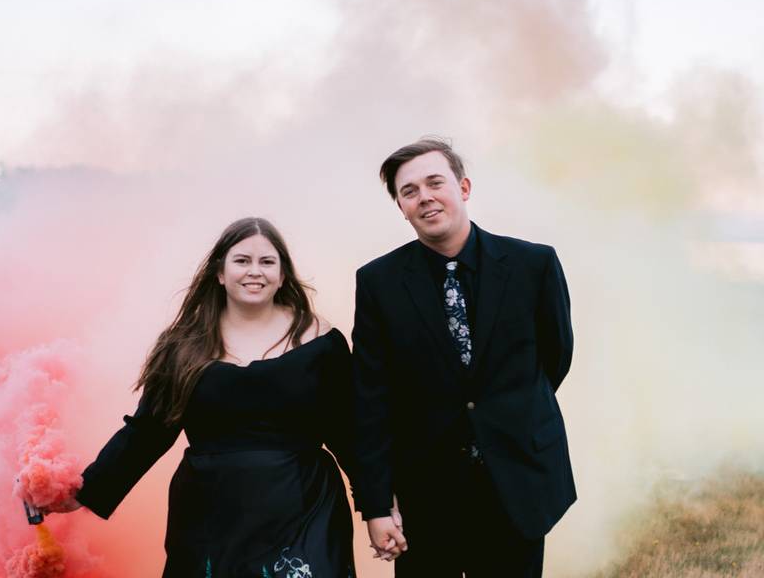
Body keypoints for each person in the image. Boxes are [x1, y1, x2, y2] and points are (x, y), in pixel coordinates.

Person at [50, 217, 359, 577]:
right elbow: (148, 431)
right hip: (211, 514)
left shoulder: (322, 342)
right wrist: (85, 490)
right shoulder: (183, 347)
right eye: (242, 261)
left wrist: (380, 505)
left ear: (283, 274)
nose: (254, 271)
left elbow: (350, 431)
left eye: (267, 262)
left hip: (304, 507)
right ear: (220, 273)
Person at [352, 137, 575, 576]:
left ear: (464, 188)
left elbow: (555, 358)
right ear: (401, 206)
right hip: (426, 491)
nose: (424, 197)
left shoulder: (533, 265)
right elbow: (371, 398)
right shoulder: (379, 282)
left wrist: (505, 414)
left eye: (435, 182)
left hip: (518, 480)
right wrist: (376, 504)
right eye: (409, 191)